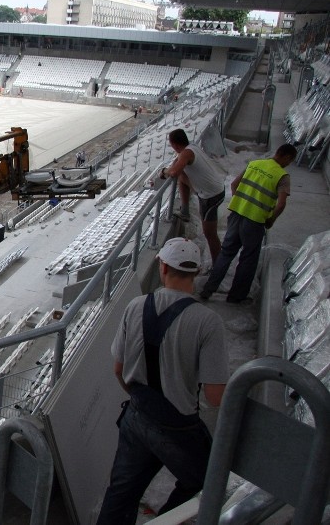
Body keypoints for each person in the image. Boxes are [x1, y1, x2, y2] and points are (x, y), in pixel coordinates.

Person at [97, 238, 228, 524]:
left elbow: (118, 368)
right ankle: (166, 519)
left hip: (136, 416)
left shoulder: (136, 306)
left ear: (163, 267)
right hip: (177, 425)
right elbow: (216, 397)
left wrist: (139, 400)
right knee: (208, 477)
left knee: (120, 493)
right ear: (195, 273)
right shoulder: (208, 322)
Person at [199, 144, 297, 304]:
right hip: (255, 221)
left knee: (226, 253)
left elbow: (234, 185)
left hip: (237, 214)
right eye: (290, 161)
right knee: (248, 259)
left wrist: (242, 202)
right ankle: (236, 296)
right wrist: (271, 219)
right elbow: (281, 204)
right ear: (286, 157)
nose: (289, 164)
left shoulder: (255, 164)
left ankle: (208, 289)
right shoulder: (282, 176)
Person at [162, 129, 226, 264]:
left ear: (174, 144)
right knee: (182, 175)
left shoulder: (186, 153)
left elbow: (173, 171)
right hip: (214, 190)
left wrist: (164, 171)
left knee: (210, 234)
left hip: (211, 196)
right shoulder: (191, 147)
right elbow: (177, 165)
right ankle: (185, 211)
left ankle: (217, 266)